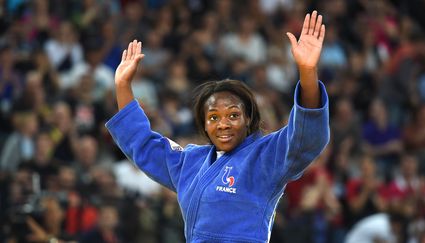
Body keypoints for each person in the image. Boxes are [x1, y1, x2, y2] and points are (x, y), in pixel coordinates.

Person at [106, 10, 329, 243]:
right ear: (204, 124)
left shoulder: (266, 156)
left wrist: (307, 72)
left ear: (249, 120)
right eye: (213, 117)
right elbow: (143, 146)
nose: (223, 124)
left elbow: (305, 138)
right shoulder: (189, 162)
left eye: (233, 115)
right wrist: (123, 86)